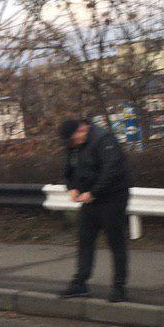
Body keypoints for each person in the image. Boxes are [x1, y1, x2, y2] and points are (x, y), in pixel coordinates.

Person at [59, 117, 131, 302]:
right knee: (85, 241)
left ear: (81, 130)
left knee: (116, 242)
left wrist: (93, 193)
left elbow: (111, 171)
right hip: (89, 200)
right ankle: (80, 283)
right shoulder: (73, 145)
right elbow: (69, 170)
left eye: (73, 139)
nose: (73, 144)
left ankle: (119, 287)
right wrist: (72, 187)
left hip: (112, 199)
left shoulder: (104, 139)